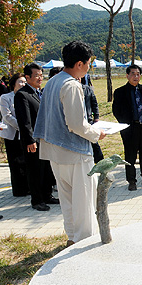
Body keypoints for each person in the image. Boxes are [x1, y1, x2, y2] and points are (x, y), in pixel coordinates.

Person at [33, 40, 106, 246]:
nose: (89, 67)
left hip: (55, 152)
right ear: (80, 64)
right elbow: (76, 124)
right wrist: (96, 133)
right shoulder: (72, 85)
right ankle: (84, 242)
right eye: (89, 63)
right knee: (84, 202)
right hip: (75, 152)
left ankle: (73, 238)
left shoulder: (53, 82)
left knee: (68, 201)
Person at [14, 62, 58, 211]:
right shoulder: (22, 94)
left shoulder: (40, 93)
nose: (40, 78)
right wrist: (30, 140)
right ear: (27, 77)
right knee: (34, 171)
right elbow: (24, 121)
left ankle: (47, 196)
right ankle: (37, 200)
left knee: (46, 169)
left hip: (45, 138)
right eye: (37, 75)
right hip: (33, 140)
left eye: (41, 75)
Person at [113, 64, 142, 191]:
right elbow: (116, 111)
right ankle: (131, 180)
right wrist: (126, 124)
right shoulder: (120, 92)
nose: (136, 76)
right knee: (130, 156)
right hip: (130, 129)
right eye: (133, 74)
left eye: (138, 74)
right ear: (127, 75)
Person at [0, 73, 29, 197]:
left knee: (25, 162)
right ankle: (18, 190)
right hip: (11, 134)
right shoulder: (5, 97)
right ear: (13, 84)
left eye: (24, 82)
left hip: (24, 134)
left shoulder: (26, 96)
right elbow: (7, 116)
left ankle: (28, 187)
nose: (23, 84)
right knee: (14, 162)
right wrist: (22, 126)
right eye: (20, 82)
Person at [81, 76, 104, 163]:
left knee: (95, 145)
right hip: (78, 124)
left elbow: (94, 103)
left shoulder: (87, 89)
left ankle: (101, 164)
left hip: (89, 122)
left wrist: (96, 117)